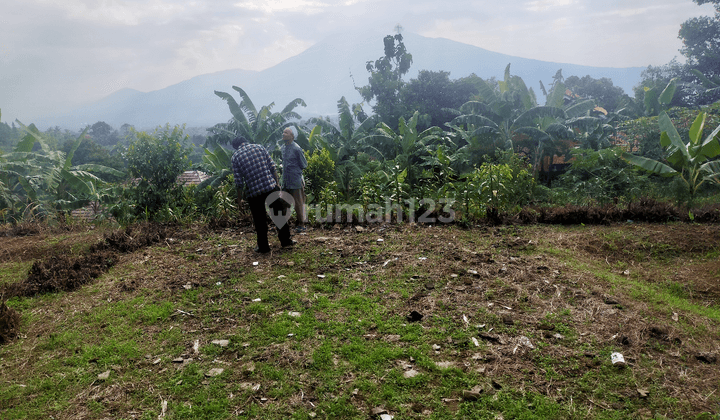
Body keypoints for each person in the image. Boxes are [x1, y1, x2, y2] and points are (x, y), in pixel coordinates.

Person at [231, 135, 294, 253]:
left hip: (254, 193)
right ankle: (286, 241)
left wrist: (239, 199)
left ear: (236, 146)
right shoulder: (260, 148)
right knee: (279, 215)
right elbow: (272, 167)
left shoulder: (236, 157)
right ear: (246, 141)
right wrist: (277, 184)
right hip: (270, 187)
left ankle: (264, 247)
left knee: (260, 220)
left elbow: (239, 182)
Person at [280, 127, 308, 232]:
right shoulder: (282, 148)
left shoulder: (297, 148)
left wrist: (295, 171)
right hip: (286, 181)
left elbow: (304, 164)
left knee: (298, 203)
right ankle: (284, 225)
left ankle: (302, 224)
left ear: (292, 136)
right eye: (283, 132)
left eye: (286, 133)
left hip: (295, 180)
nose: (283, 134)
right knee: (284, 203)